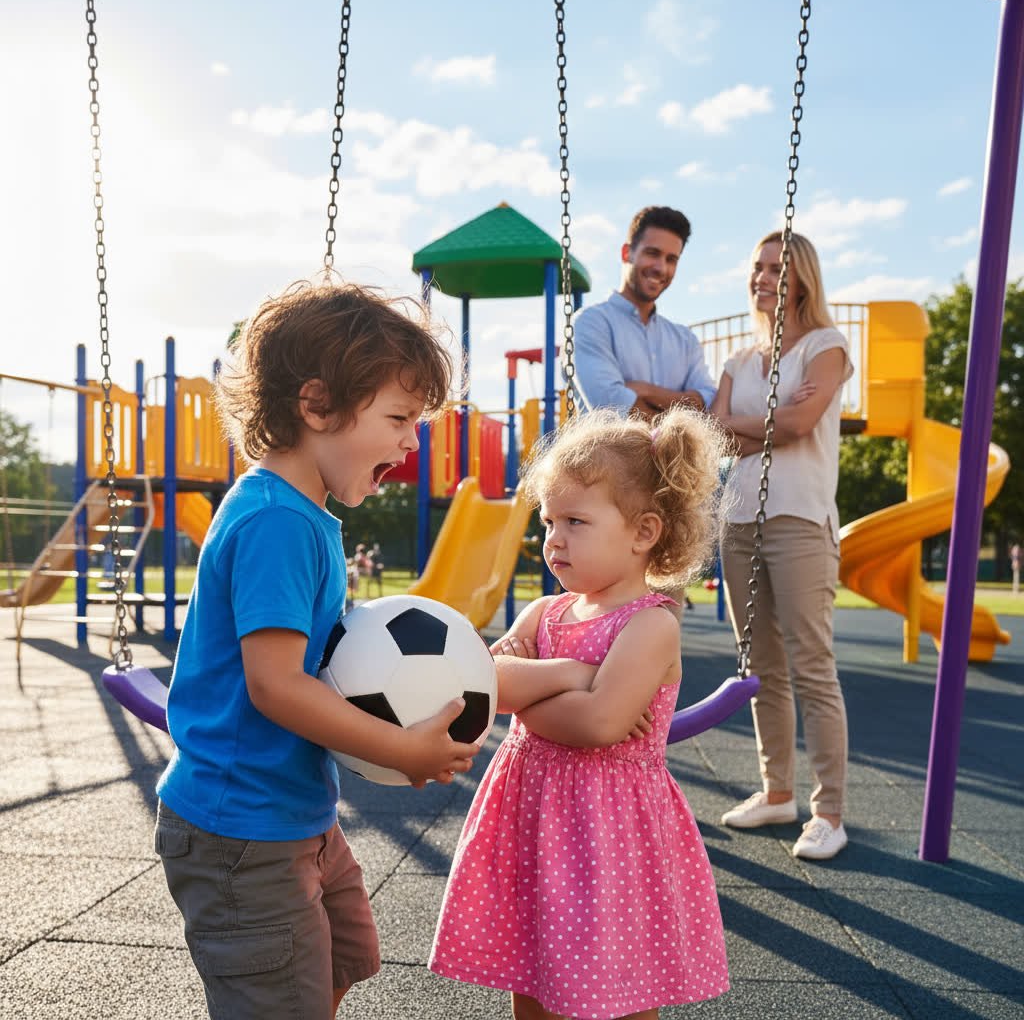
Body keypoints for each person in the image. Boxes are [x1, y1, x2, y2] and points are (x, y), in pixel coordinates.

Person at [154, 281, 481, 1019]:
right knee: (280, 996)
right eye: (399, 418)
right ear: (316, 406)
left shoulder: (304, 515)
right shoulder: (278, 522)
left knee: (346, 955)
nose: (411, 440)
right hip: (243, 828)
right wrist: (398, 747)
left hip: (294, 814)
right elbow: (276, 686)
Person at [430, 406, 730, 1020]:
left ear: (643, 532)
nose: (554, 540)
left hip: (609, 830)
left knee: (621, 981)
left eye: (575, 521)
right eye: (548, 522)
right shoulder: (544, 613)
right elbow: (484, 687)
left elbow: (598, 726)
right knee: (534, 970)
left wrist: (528, 692)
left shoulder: (650, 625)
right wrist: (575, 676)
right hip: (534, 820)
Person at [710, 231, 853, 861]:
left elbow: (798, 426)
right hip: (739, 519)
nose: (764, 276)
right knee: (760, 667)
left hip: (799, 519)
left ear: (803, 278)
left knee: (812, 666)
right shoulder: (740, 362)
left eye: (777, 267)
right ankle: (776, 793)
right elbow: (718, 436)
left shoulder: (827, 348)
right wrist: (761, 429)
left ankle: (830, 811)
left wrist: (755, 429)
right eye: (758, 267)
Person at [569, 205, 716, 420]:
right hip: (609, 454)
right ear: (627, 253)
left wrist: (645, 391)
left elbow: (708, 405)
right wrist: (681, 411)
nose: (661, 268)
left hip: (675, 455)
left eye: (671, 259)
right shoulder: (589, 324)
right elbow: (612, 409)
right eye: (652, 253)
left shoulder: (686, 340)